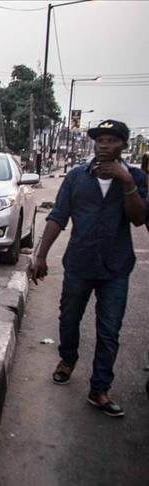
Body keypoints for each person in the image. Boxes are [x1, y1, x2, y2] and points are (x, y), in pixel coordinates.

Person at [30, 119, 148, 417]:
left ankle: (99, 389)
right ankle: (67, 359)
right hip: (79, 264)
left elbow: (138, 219)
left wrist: (127, 182)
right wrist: (40, 256)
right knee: (69, 319)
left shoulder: (136, 177)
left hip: (116, 268)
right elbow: (58, 216)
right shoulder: (76, 177)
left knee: (109, 330)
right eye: (100, 140)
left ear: (123, 145)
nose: (104, 145)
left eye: (112, 140)